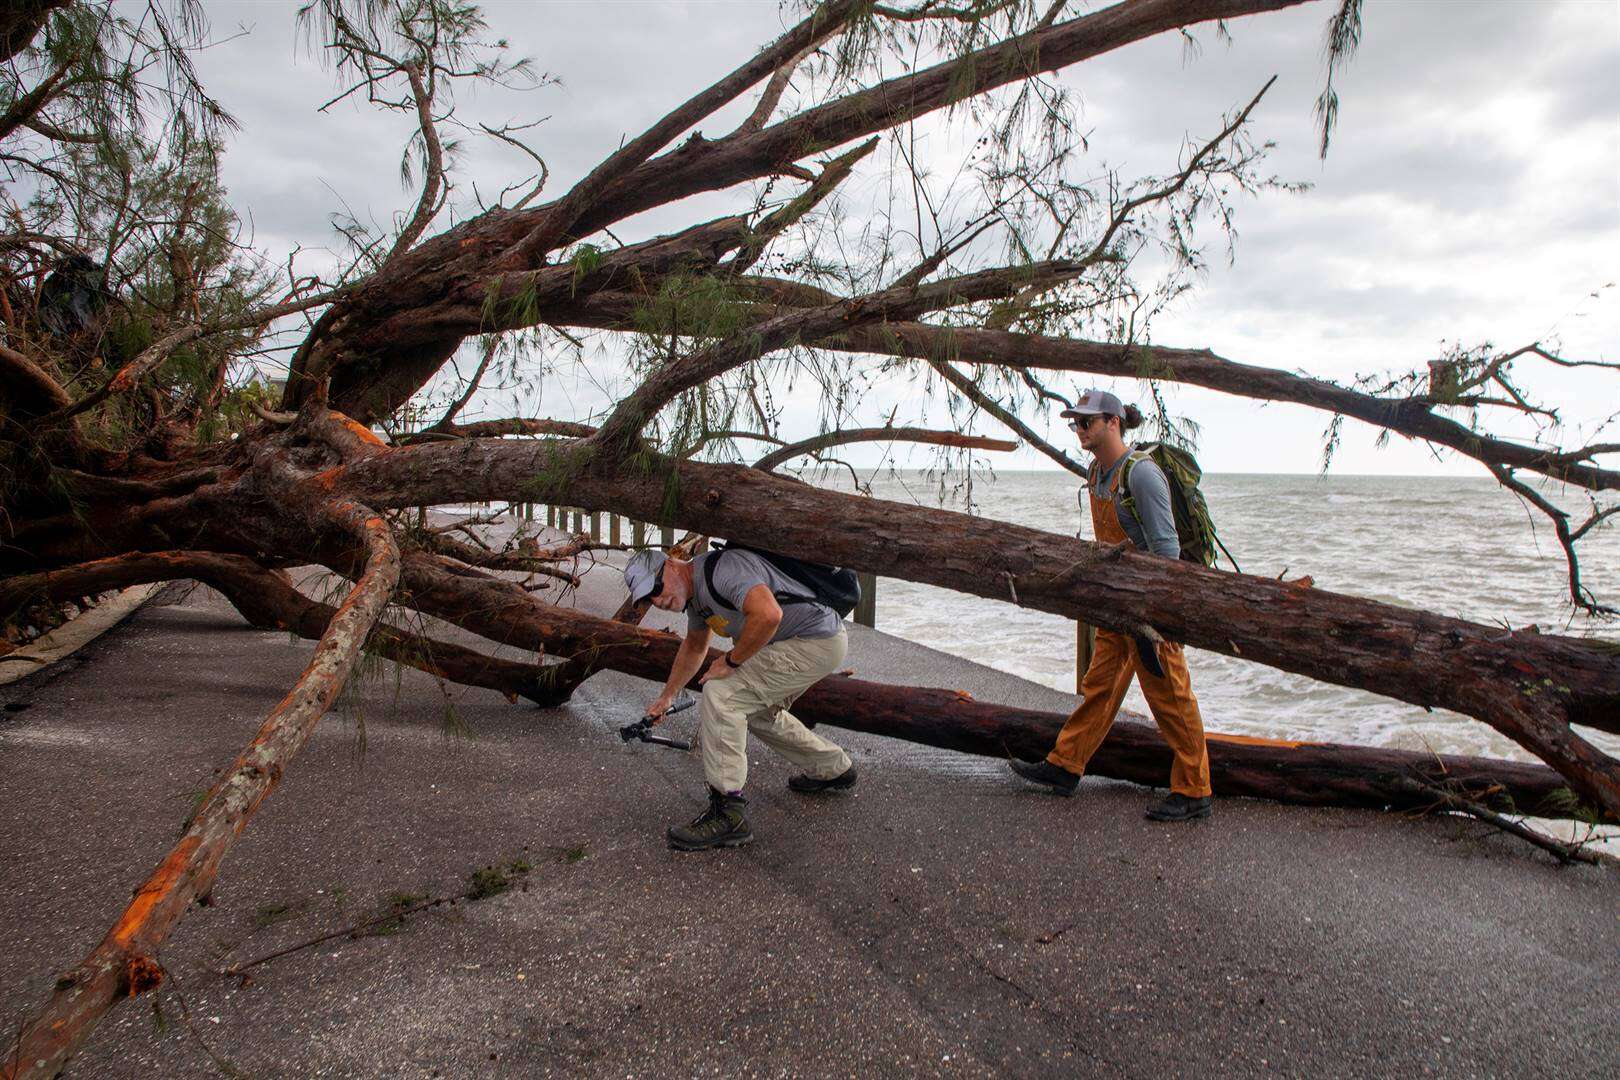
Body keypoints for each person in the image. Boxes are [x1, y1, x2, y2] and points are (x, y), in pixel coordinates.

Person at [1010, 389, 1214, 822]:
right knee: (1099, 686)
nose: (1080, 430)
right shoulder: (1096, 474)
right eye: (1076, 424)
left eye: (1088, 422)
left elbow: (1167, 550)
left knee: (1170, 696)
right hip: (1114, 607)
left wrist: (1151, 618)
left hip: (1147, 611)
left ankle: (1195, 790)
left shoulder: (1140, 475)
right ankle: (1065, 765)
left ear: (1113, 423)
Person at [623, 545, 857, 850]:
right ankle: (833, 768)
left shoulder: (724, 571)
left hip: (813, 640)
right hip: (801, 642)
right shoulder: (697, 601)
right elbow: (695, 645)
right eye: (648, 598)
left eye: (656, 587)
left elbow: (768, 614)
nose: (657, 600)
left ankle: (727, 813)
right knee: (757, 711)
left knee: (722, 695)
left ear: (671, 565)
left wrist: (732, 660)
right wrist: (667, 697)